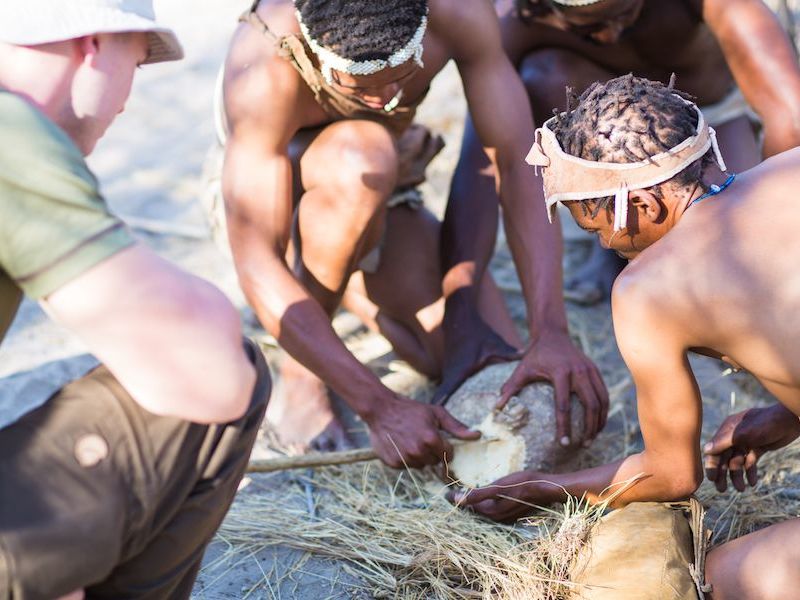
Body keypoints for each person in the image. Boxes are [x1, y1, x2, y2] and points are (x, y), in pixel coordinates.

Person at [452, 73, 800, 598]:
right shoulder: (790, 166)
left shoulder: (646, 290)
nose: (610, 248)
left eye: (596, 230)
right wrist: (787, 414)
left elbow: (672, 475)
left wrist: (542, 489)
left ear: (644, 207)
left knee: (728, 577)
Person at [214, 0, 608, 463]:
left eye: (402, 77)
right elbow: (258, 259)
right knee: (364, 154)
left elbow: (517, 165)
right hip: (300, 188)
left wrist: (550, 329)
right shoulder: (263, 63)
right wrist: (378, 406)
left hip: (387, 180)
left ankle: (352, 269)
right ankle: (302, 371)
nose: (389, 100)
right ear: (318, 54)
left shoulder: (457, 11)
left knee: (459, 360)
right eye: (363, 89)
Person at [0, 2, 271, 598]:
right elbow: (209, 373)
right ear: (93, 44)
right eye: (139, 56)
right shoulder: (9, 131)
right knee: (234, 367)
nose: (129, 94)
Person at [449, 0, 800, 305]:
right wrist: (462, 307)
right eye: (590, 30)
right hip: (615, 138)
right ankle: (617, 242)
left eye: (627, 13)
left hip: (713, 118)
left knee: (728, 234)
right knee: (542, 76)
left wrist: (773, 218)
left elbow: (790, 117)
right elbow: (485, 159)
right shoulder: (519, 20)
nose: (610, 36)